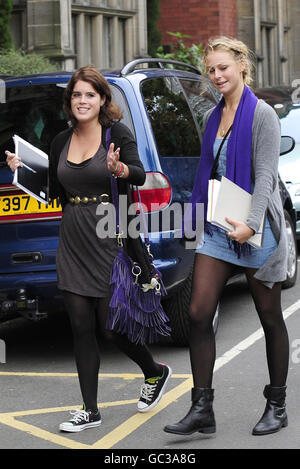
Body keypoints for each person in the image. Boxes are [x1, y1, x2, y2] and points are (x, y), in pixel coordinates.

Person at [6, 66, 171, 433]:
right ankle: (89, 409)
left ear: (102, 100)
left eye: (90, 95)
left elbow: (141, 175)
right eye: (77, 95)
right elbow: (53, 193)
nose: (83, 101)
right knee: (80, 328)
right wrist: (22, 172)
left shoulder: (117, 133)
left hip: (110, 236)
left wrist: (120, 169)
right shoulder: (60, 140)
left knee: (111, 327)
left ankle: (154, 372)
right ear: (70, 101)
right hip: (74, 238)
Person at [164, 36, 289, 437]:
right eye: (212, 70)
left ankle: (277, 404)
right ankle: (202, 408)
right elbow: (208, 172)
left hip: (256, 229)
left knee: (269, 318)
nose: (217, 75)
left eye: (223, 67)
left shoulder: (263, 115)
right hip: (219, 226)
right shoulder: (212, 117)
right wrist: (198, 220)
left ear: (241, 66)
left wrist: (251, 225)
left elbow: (267, 175)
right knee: (198, 313)